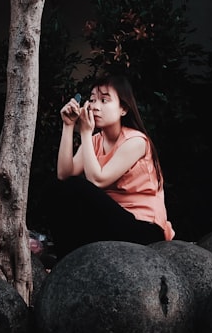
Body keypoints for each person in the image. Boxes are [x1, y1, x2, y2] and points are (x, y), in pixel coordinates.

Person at [48, 74, 175, 258]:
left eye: (104, 100)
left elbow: (97, 181)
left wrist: (85, 132)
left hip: (143, 229)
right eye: (92, 100)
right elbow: (64, 174)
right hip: (113, 223)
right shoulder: (95, 141)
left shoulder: (136, 141)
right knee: (57, 188)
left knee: (77, 188)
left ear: (123, 108)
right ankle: (66, 263)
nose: (95, 106)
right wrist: (68, 126)